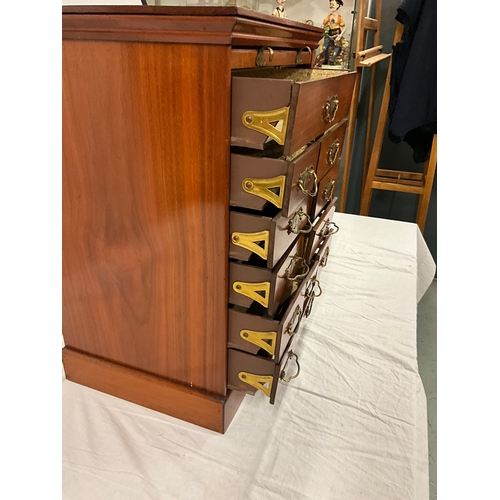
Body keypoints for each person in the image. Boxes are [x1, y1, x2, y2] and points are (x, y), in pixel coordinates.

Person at [322, 0, 345, 65]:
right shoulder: (328, 17)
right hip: (329, 33)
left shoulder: (339, 17)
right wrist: (323, 29)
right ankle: (326, 59)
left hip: (336, 33)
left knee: (337, 47)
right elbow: (323, 24)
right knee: (325, 48)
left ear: (337, 6)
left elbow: (343, 28)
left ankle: (332, 60)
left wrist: (340, 35)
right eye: (330, 4)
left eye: (333, 4)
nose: (331, 6)